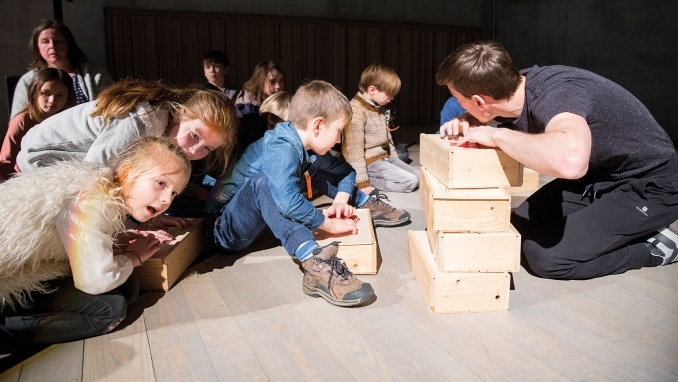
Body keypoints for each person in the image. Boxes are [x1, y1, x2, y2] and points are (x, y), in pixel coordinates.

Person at [438, 41, 678, 280]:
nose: (458, 106)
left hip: (653, 186)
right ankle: (619, 228)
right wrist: (469, 119)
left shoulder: (559, 94)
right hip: (598, 178)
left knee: (545, 258)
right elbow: (500, 111)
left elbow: (570, 163)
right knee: (515, 230)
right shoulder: (517, 85)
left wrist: (497, 134)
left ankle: (656, 247)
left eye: (459, 101)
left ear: (480, 101)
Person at [205, 81, 385, 307]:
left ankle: (363, 202)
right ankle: (313, 260)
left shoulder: (304, 144)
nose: (339, 140)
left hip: (257, 223)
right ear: (318, 125)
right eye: (339, 131)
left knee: (314, 165)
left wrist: (340, 200)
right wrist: (326, 225)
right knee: (265, 182)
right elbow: (287, 202)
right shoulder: (281, 147)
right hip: (224, 229)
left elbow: (346, 171)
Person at [0, 137, 191, 347]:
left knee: (128, 287)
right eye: (161, 183)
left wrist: (121, 238)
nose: (167, 199)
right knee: (109, 311)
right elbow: (94, 280)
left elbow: (74, 238)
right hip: (7, 281)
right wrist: (133, 257)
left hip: (35, 269)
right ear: (127, 173)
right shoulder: (91, 200)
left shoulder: (103, 188)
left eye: (174, 193)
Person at [16, 79, 238, 225]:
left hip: (78, 164)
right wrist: (131, 229)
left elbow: (148, 177)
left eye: (207, 148)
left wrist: (153, 218)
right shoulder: (141, 122)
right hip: (43, 158)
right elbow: (95, 174)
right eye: (195, 136)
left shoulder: (169, 135)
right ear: (180, 113)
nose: (194, 150)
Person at [342, 63, 419, 193]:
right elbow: (353, 151)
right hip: (370, 163)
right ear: (372, 90)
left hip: (385, 158)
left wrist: (395, 159)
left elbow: (387, 138)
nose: (392, 98)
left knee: (419, 176)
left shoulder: (378, 107)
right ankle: (365, 179)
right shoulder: (356, 111)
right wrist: (362, 183)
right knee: (410, 182)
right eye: (389, 94)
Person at [11, 20, 113, 118]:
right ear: (37, 47)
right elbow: (18, 119)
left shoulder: (94, 74)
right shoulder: (28, 80)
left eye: (58, 41)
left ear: (68, 44)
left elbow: (112, 106)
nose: (52, 46)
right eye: (45, 41)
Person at [1, 69, 75, 181]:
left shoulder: (67, 121)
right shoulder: (22, 120)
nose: (52, 100)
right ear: (35, 92)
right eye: (46, 93)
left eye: (60, 95)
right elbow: (6, 163)